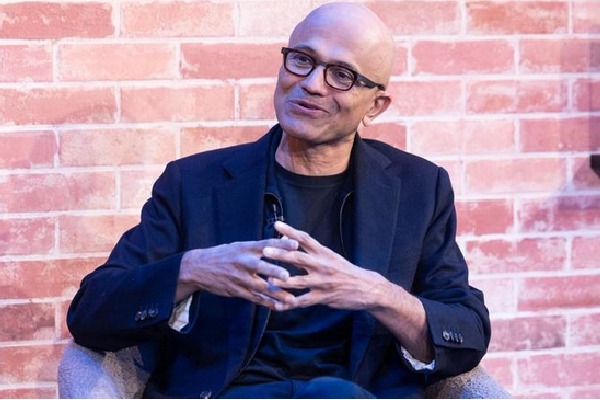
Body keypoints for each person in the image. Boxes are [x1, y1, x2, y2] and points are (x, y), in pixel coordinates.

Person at [67, 2, 491, 398]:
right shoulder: (195, 183)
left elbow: (467, 333)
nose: (311, 84)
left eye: (342, 75)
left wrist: (376, 292)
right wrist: (193, 269)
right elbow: (91, 314)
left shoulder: (419, 188)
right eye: (302, 59)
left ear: (375, 105)